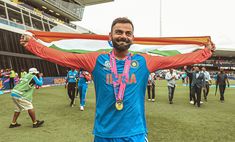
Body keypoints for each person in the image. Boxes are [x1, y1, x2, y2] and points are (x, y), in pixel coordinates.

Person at [20, 17, 214, 141]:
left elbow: (177, 59)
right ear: (110, 36)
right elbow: (60, 56)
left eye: (128, 33)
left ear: (133, 38)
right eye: (119, 32)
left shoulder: (144, 61)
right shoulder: (95, 60)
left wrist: (205, 53)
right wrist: (32, 45)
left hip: (135, 134)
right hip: (104, 134)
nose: (123, 36)